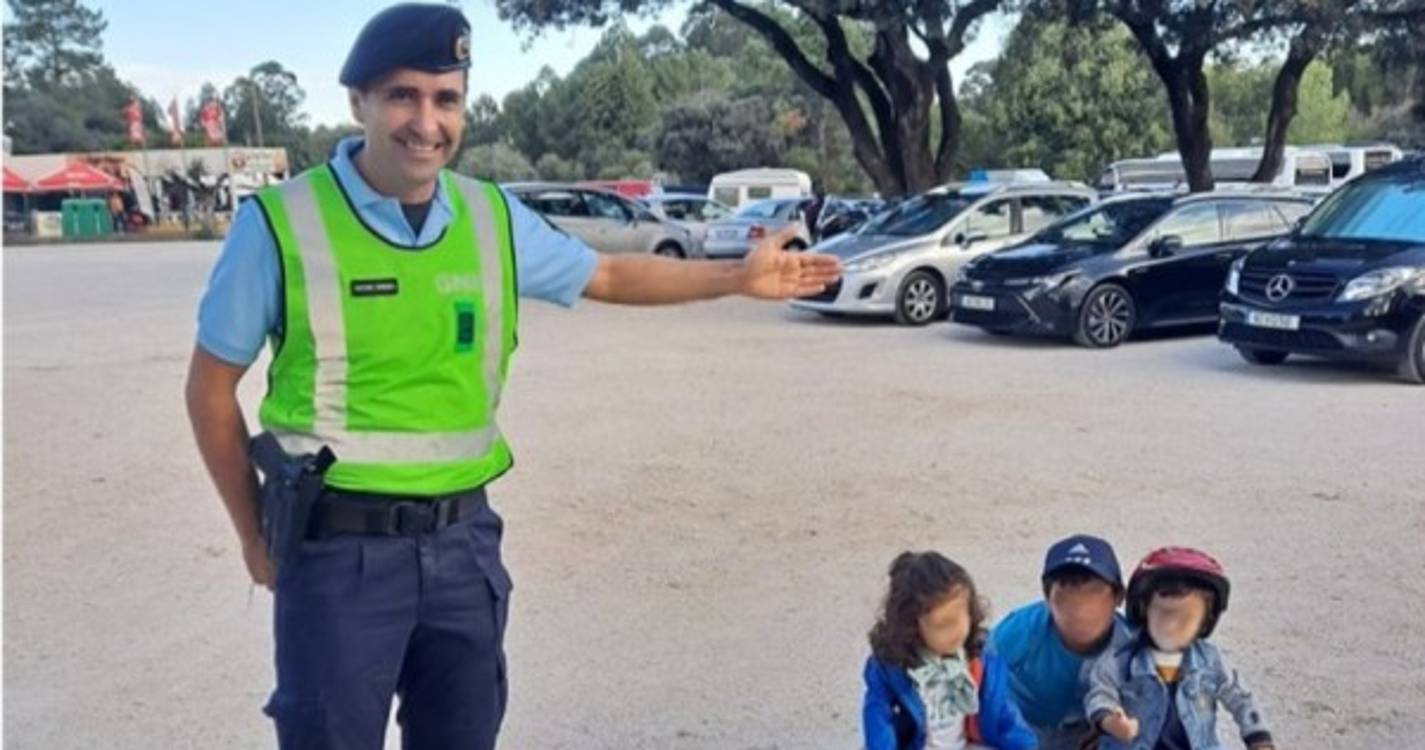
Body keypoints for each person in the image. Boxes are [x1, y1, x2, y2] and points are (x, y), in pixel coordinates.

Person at [182, 4, 841, 749]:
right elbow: (209, 388)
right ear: (358, 101)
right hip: (338, 555)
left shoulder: (489, 214)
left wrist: (736, 278)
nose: (426, 122)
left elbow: (609, 275)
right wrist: (252, 535)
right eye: (402, 95)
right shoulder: (282, 222)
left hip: (464, 546)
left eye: (446, 98)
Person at [1085, 547, 1274, 750]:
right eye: (1164, 614)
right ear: (1143, 610)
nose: (1172, 627)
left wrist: (1258, 739)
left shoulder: (1210, 660)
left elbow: (1241, 698)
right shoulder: (1121, 658)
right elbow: (1100, 691)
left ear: (1205, 621)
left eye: (1186, 619)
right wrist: (1109, 721)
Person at [861, 551, 1037, 750]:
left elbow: (1005, 715)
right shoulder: (892, 668)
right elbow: (878, 720)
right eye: (942, 625)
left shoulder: (980, 663)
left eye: (961, 619)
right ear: (912, 627)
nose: (955, 631)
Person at [988, 534, 1133, 750]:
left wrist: (1110, 730)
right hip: (1022, 729)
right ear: (1047, 596)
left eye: (1093, 588)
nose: (1080, 603)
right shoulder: (1018, 633)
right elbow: (979, 682)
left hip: (1093, 731)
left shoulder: (1132, 648)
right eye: (1067, 586)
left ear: (1118, 596)